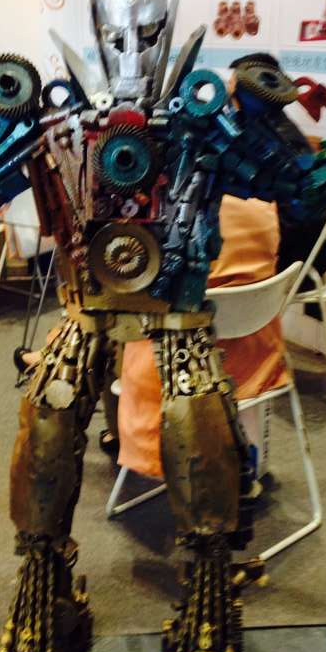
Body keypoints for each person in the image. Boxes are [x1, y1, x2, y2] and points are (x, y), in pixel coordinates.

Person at [116, 194, 289, 482]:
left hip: (170, 372)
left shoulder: (163, 215)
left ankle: (118, 437)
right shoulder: (263, 205)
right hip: (255, 359)